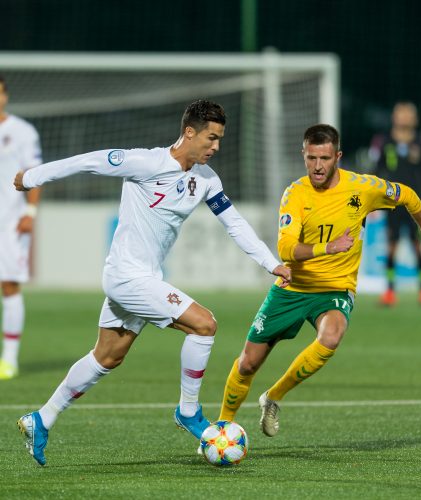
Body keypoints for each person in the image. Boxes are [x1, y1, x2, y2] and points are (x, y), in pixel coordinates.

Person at [14, 99, 291, 466]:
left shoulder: (206, 180)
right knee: (204, 325)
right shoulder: (146, 163)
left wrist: (270, 263)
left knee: (108, 356)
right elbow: (88, 161)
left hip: (145, 277)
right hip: (127, 276)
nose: (216, 146)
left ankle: (41, 419)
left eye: (220, 139)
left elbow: (235, 224)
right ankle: (188, 412)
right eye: (211, 137)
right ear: (189, 132)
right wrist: (32, 177)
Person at [217, 124, 421, 437]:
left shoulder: (362, 187)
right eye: (311, 158)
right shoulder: (295, 193)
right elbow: (285, 248)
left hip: (336, 289)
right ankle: (222, 426)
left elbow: (407, 196)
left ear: (337, 156)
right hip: (293, 288)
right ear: (304, 155)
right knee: (247, 364)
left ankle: (273, 397)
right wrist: (329, 247)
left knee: (333, 334)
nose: (318, 166)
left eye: (324, 158)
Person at [369, 101, 421, 307]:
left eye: (409, 114)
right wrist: (372, 200)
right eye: (402, 114)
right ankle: (389, 290)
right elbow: (376, 171)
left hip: (416, 203)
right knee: (391, 245)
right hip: (392, 202)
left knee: (419, 245)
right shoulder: (384, 142)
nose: (405, 118)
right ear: (394, 117)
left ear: (415, 119)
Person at [0, 75, 42, 380]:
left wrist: (30, 211)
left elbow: (35, 174)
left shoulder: (23, 131)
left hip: (10, 223)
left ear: (6, 96)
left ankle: (9, 359)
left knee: (9, 286)